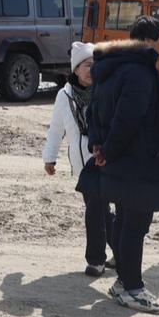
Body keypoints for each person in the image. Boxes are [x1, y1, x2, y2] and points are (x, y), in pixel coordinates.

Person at [88, 16, 159, 314]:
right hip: (138, 163)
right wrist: (111, 149)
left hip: (117, 161)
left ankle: (123, 282)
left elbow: (94, 111)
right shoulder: (139, 72)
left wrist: (100, 147)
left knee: (124, 220)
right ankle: (132, 287)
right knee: (135, 225)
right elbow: (128, 119)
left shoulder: (112, 67)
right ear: (150, 39)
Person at [42, 42, 114, 277]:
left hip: (104, 160)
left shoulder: (106, 91)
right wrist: (50, 157)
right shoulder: (64, 96)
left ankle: (96, 260)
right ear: (75, 69)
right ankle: (122, 253)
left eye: (95, 64)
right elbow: (56, 129)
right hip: (82, 164)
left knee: (96, 210)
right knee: (100, 210)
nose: (91, 69)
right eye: (87, 65)